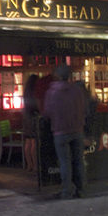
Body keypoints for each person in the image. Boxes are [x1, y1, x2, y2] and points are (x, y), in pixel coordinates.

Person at [42, 65, 87, 199]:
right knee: (79, 161)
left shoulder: (52, 92)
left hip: (60, 132)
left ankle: (66, 191)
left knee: (65, 162)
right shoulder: (77, 91)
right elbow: (85, 108)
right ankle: (81, 190)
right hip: (77, 130)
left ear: (58, 76)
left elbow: (47, 113)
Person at [22, 74, 40, 173]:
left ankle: (29, 165)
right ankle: (36, 165)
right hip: (33, 116)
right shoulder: (35, 92)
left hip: (26, 116)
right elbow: (37, 105)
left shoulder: (26, 92)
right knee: (34, 141)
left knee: (28, 141)